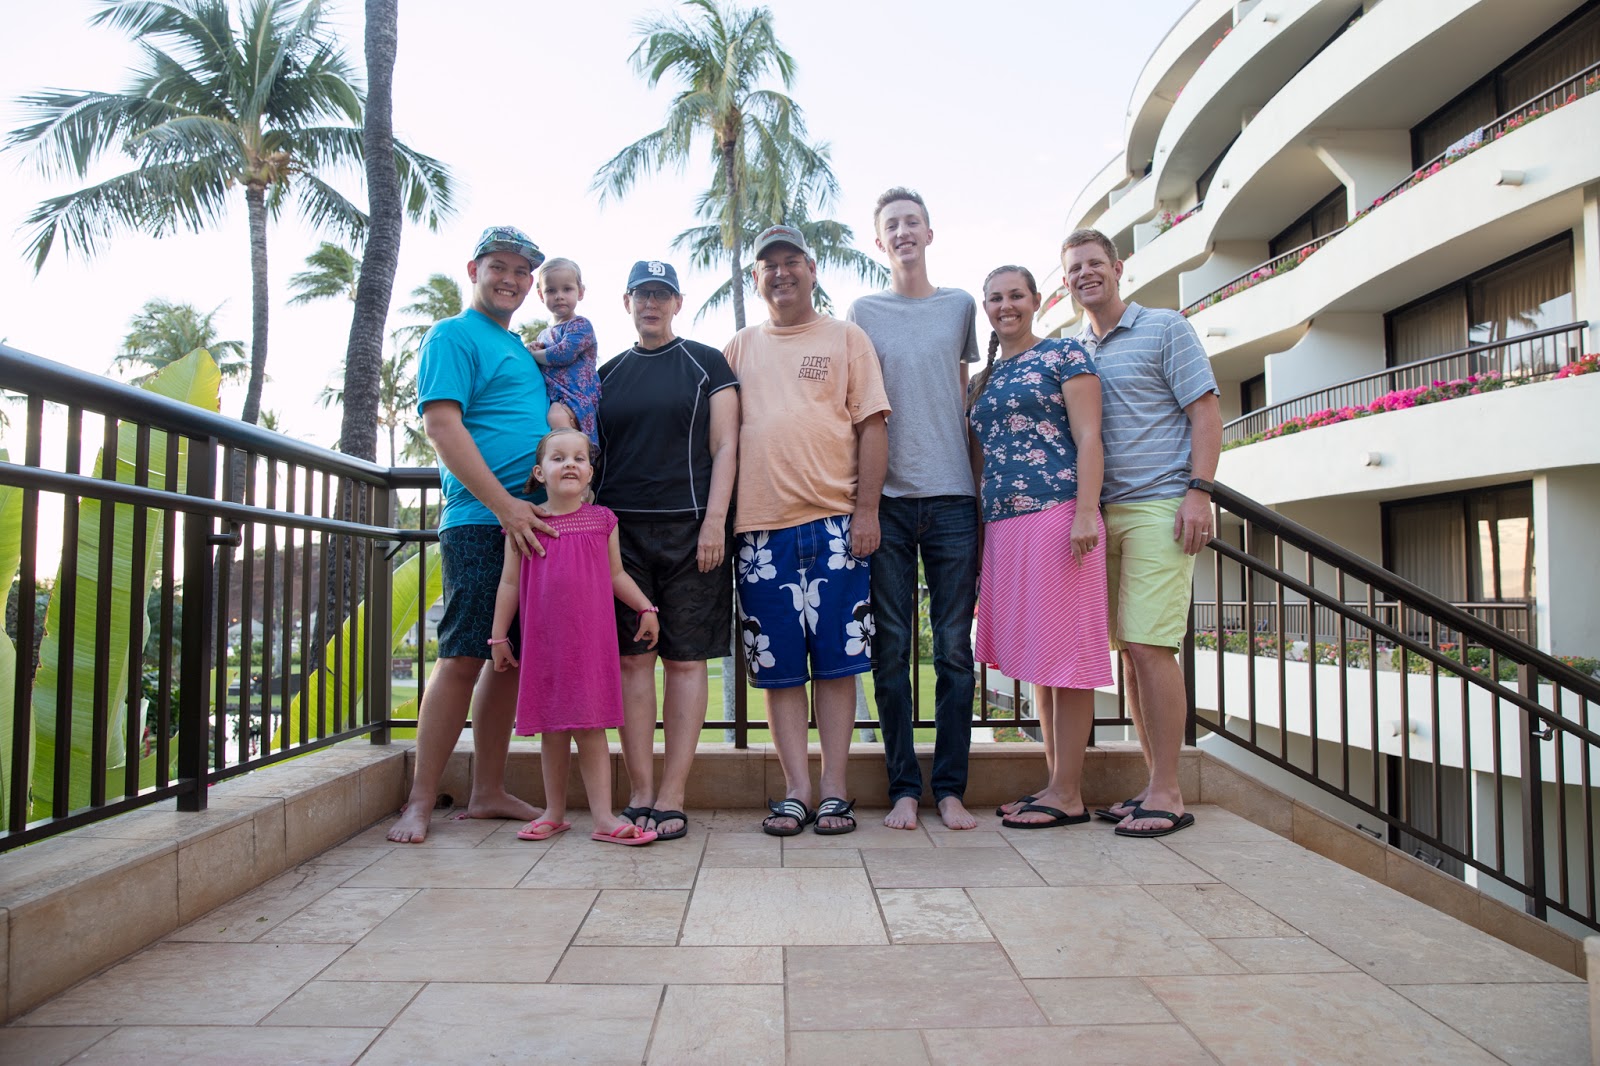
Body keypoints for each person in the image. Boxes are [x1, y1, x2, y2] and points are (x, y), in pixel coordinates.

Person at [389, 225, 557, 844]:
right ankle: (419, 801)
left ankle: (487, 790)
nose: (511, 279)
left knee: (506, 660)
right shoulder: (452, 335)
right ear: (474, 270)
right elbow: (441, 426)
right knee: (462, 656)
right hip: (484, 522)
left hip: (533, 524)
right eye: (499, 267)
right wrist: (506, 506)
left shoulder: (517, 348)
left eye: (521, 271)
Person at [725, 224, 891, 836]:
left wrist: (867, 512)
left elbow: (873, 425)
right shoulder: (739, 347)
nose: (781, 272)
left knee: (839, 665)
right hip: (760, 533)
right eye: (768, 264)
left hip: (836, 524)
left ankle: (835, 789)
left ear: (812, 269)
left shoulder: (847, 337)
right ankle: (796, 789)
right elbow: (721, 435)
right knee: (779, 669)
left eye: (791, 260)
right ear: (756, 278)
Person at [1065, 227, 1221, 840]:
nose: (1085, 274)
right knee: (1130, 648)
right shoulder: (1075, 349)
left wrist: (1199, 492)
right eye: (1074, 268)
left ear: (1118, 267)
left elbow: (1205, 411)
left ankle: (1168, 792)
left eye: (1094, 263)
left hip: (1160, 505)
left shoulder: (1164, 328)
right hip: (1101, 514)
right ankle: (1153, 782)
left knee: (1151, 645)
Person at [845, 188, 982, 832]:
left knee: (954, 650)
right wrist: (864, 503)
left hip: (953, 497)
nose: (903, 232)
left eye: (912, 223)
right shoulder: (863, 312)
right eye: (892, 226)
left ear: (930, 232)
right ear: (880, 242)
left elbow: (960, 391)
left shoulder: (959, 306)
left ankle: (950, 789)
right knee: (892, 647)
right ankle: (903, 786)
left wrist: (978, 491)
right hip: (889, 503)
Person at [596, 259, 739, 842]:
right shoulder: (606, 374)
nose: (651, 304)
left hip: (691, 532)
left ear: (678, 303)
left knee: (685, 661)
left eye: (662, 295)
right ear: (627, 302)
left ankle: (673, 793)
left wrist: (715, 522)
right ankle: (639, 792)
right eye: (641, 294)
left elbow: (726, 446)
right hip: (620, 537)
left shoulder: (707, 363)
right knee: (632, 662)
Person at [969, 265, 1111, 829]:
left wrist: (1085, 511)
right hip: (1004, 527)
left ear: (1036, 301)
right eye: (995, 298)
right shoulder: (984, 378)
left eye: (1016, 295)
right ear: (985, 308)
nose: (1006, 306)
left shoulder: (1064, 355)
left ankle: (1069, 793)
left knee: (1067, 659)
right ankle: (1056, 785)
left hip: (1058, 517)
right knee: (1040, 662)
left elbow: (1090, 436)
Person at [489, 428, 660, 845]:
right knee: (553, 730)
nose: (570, 464)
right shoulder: (525, 522)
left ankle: (603, 817)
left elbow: (617, 574)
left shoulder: (603, 520)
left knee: (591, 729)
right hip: (545, 647)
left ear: (590, 472)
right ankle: (554, 812)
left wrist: (646, 608)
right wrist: (498, 637)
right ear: (539, 472)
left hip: (590, 646)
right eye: (558, 457)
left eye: (579, 458)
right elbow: (509, 583)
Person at [526, 257, 600, 443]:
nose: (559, 296)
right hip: (555, 396)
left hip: (576, 396)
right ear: (541, 295)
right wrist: (535, 347)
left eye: (567, 289)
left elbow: (563, 353)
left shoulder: (580, 325)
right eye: (551, 290)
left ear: (580, 292)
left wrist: (534, 355)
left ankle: (574, 452)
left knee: (556, 418)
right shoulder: (543, 335)